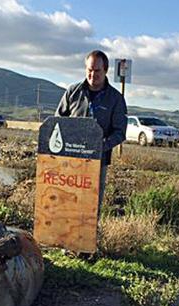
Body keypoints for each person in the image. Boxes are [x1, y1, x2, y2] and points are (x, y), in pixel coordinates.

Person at [55, 50, 127, 209]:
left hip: (97, 163)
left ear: (106, 70)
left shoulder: (115, 99)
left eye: (97, 71)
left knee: (90, 208)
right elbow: (58, 122)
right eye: (89, 70)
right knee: (66, 204)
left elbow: (120, 132)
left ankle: (90, 234)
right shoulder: (72, 92)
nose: (92, 74)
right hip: (70, 161)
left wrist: (100, 146)